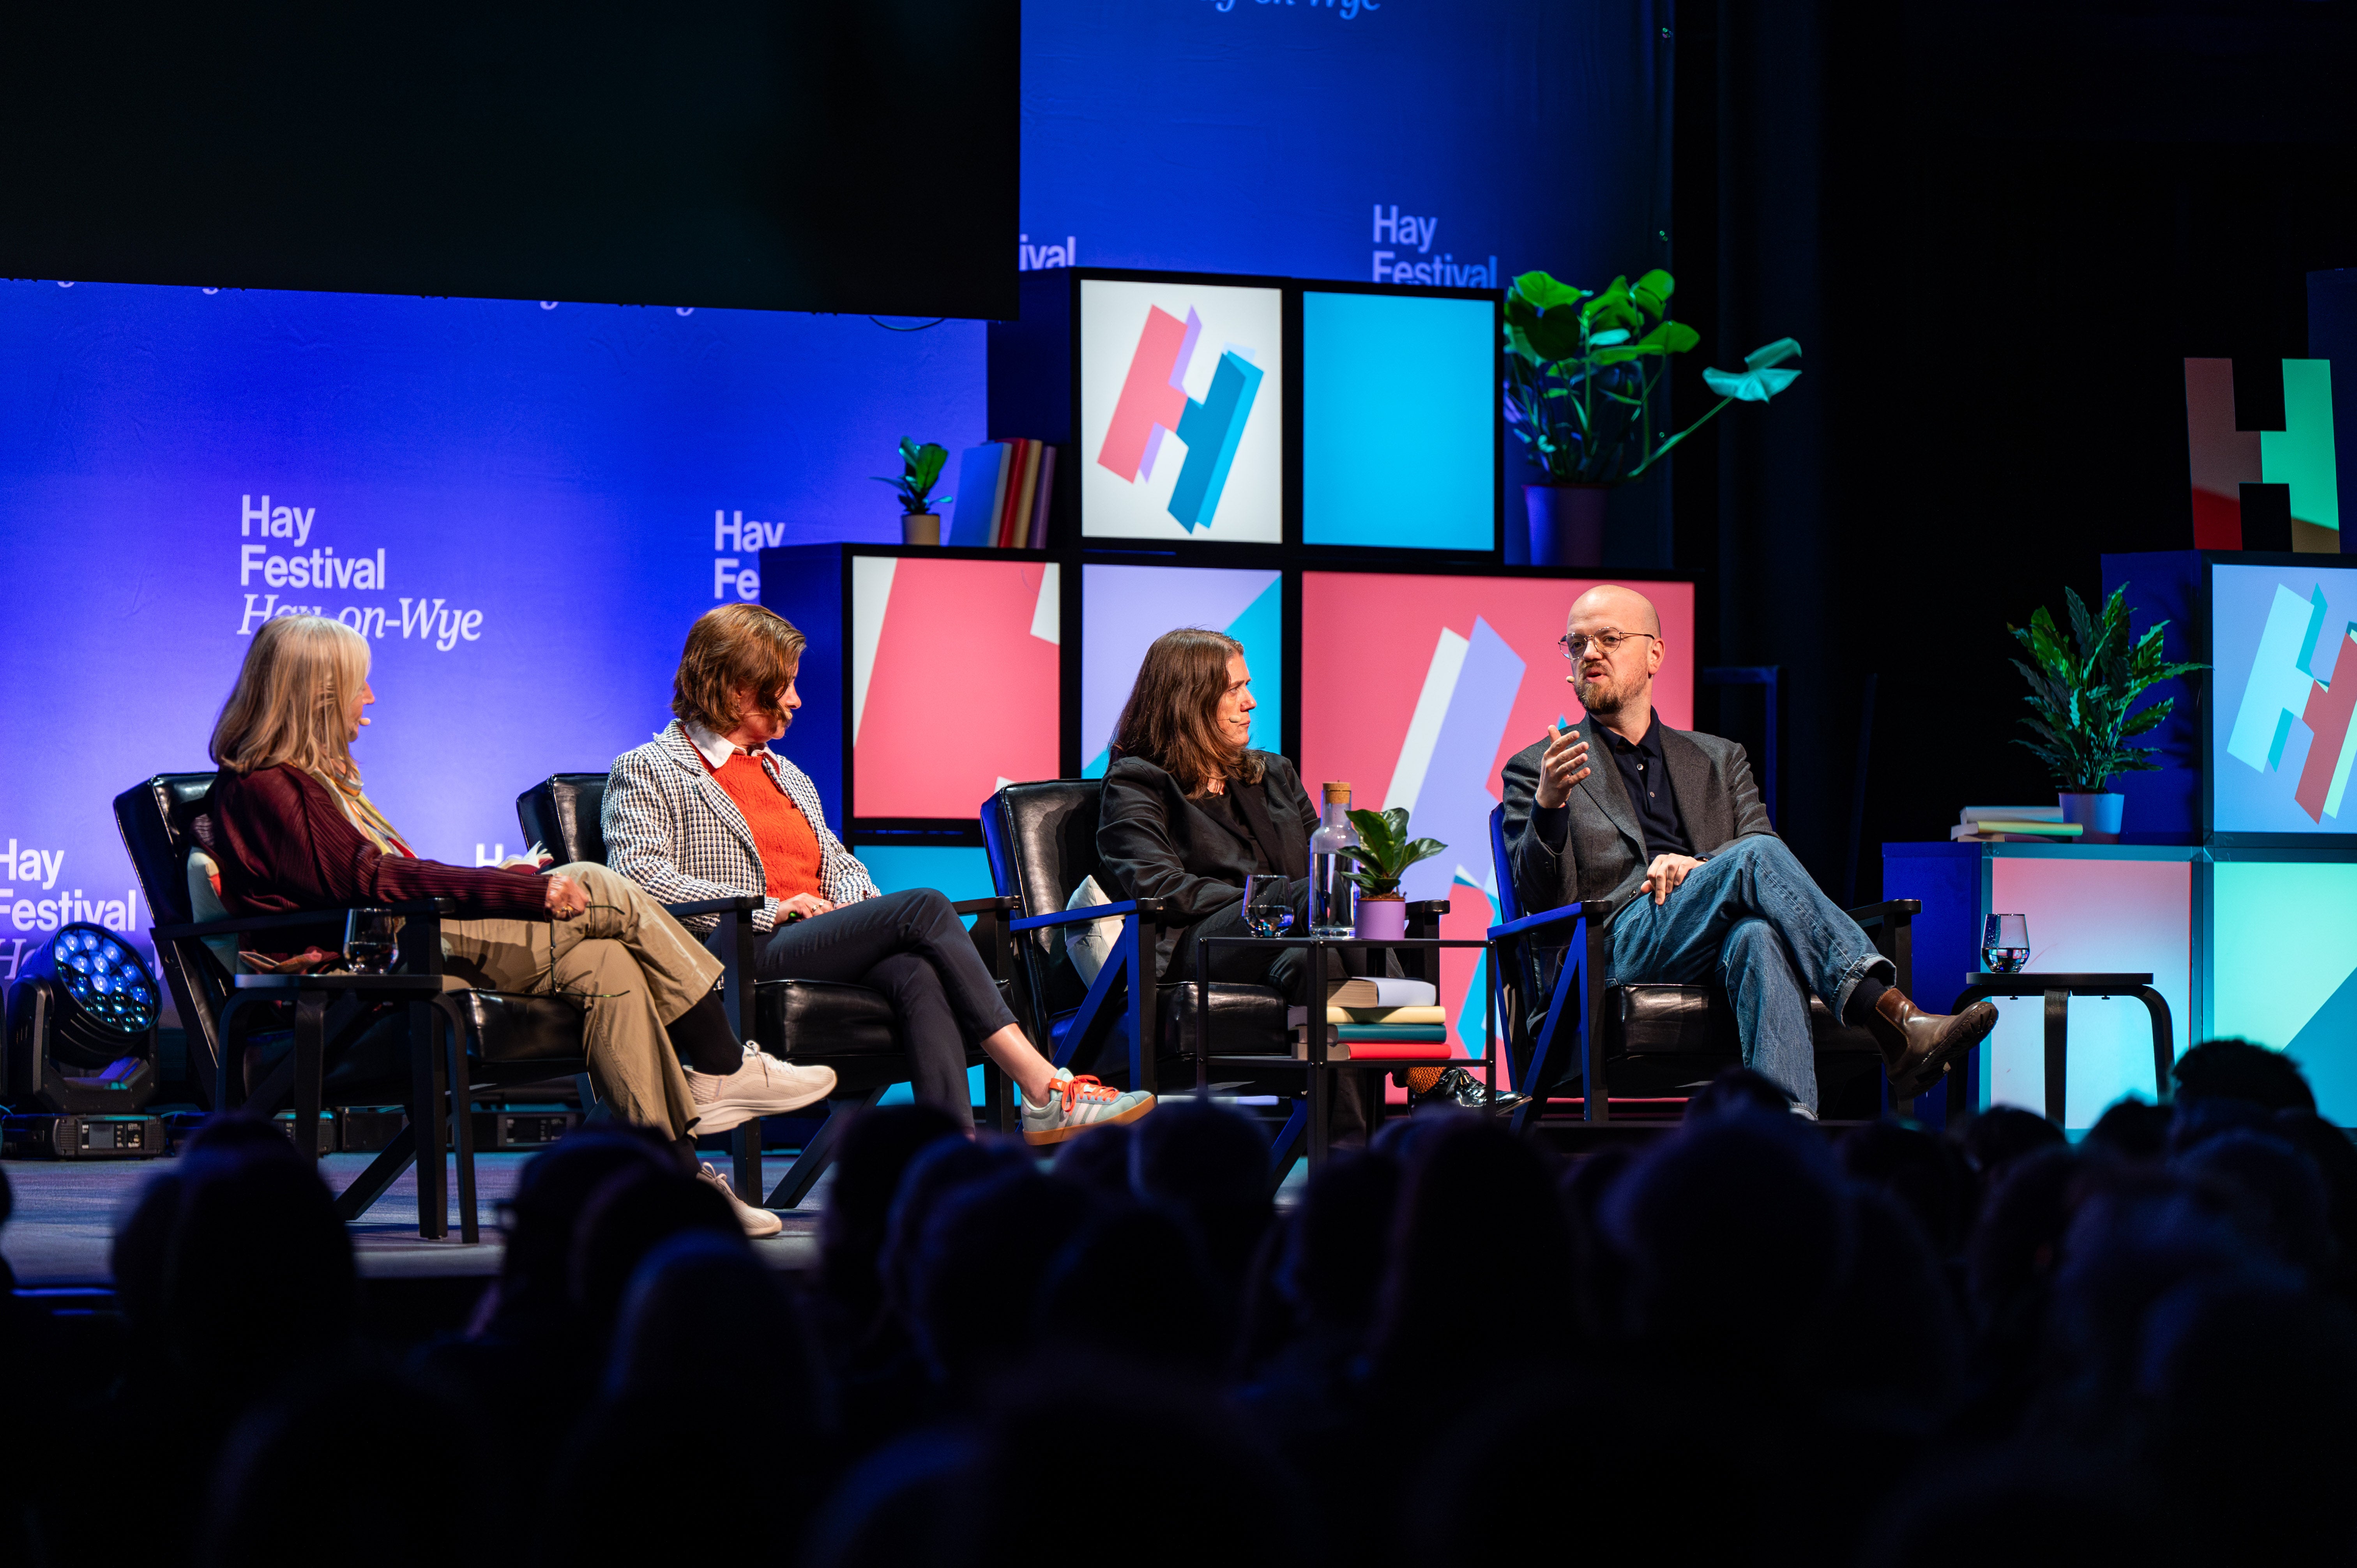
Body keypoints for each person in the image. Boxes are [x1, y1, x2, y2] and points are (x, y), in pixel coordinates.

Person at [203, 614, 825, 1232]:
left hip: (411, 942)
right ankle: (721, 1060)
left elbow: (380, 875)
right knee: (600, 882)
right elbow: (375, 883)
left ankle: (677, 1181)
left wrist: (508, 881)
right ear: (319, 693)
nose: (370, 697)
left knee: (606, 963)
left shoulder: (308, 786)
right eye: (359, 683)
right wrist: (518, 891)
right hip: (378, 968)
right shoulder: (269, 788)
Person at [603, 602, 1150, 1144]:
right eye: (784, 685)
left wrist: (847, 903)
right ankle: (1043, 1087)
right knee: (925, 905)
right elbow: (638, 877)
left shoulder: (786, 774)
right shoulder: (649, 768)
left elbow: (840, 863)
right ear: (736, 686)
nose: (796, 700)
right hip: (738, 947)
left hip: (812, 938)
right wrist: (772, 906)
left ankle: (949, 1155)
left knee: (916, 970)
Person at [1500, 584, 1997, 1116]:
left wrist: (1699, 870)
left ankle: (1786, 1131)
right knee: (1752, 859)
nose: (1590, 653)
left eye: (1608, 639)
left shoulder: (1718, 758)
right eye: (1576, 644)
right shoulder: (1539, 766)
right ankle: (1891, 1017)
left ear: (1654, 654)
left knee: (1757, 933)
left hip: (1715, 949)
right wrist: (1550, 805)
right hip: (1611, 948)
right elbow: (1541, 904)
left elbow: (1765, 861)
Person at [1095, 627, 1514, 1117]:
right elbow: (1159, 888)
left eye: (1247, 686)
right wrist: (1272, 898)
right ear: (1189, 700)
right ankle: (1431, 1074)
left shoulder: (1274, 774)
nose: (1251, 702)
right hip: (1203, 946)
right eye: (1234, 690)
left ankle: (1347, 1166)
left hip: (1294, 943)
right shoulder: (1138, 781)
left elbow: (1328, 872)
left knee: (1328, 965)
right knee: (1313, 895)